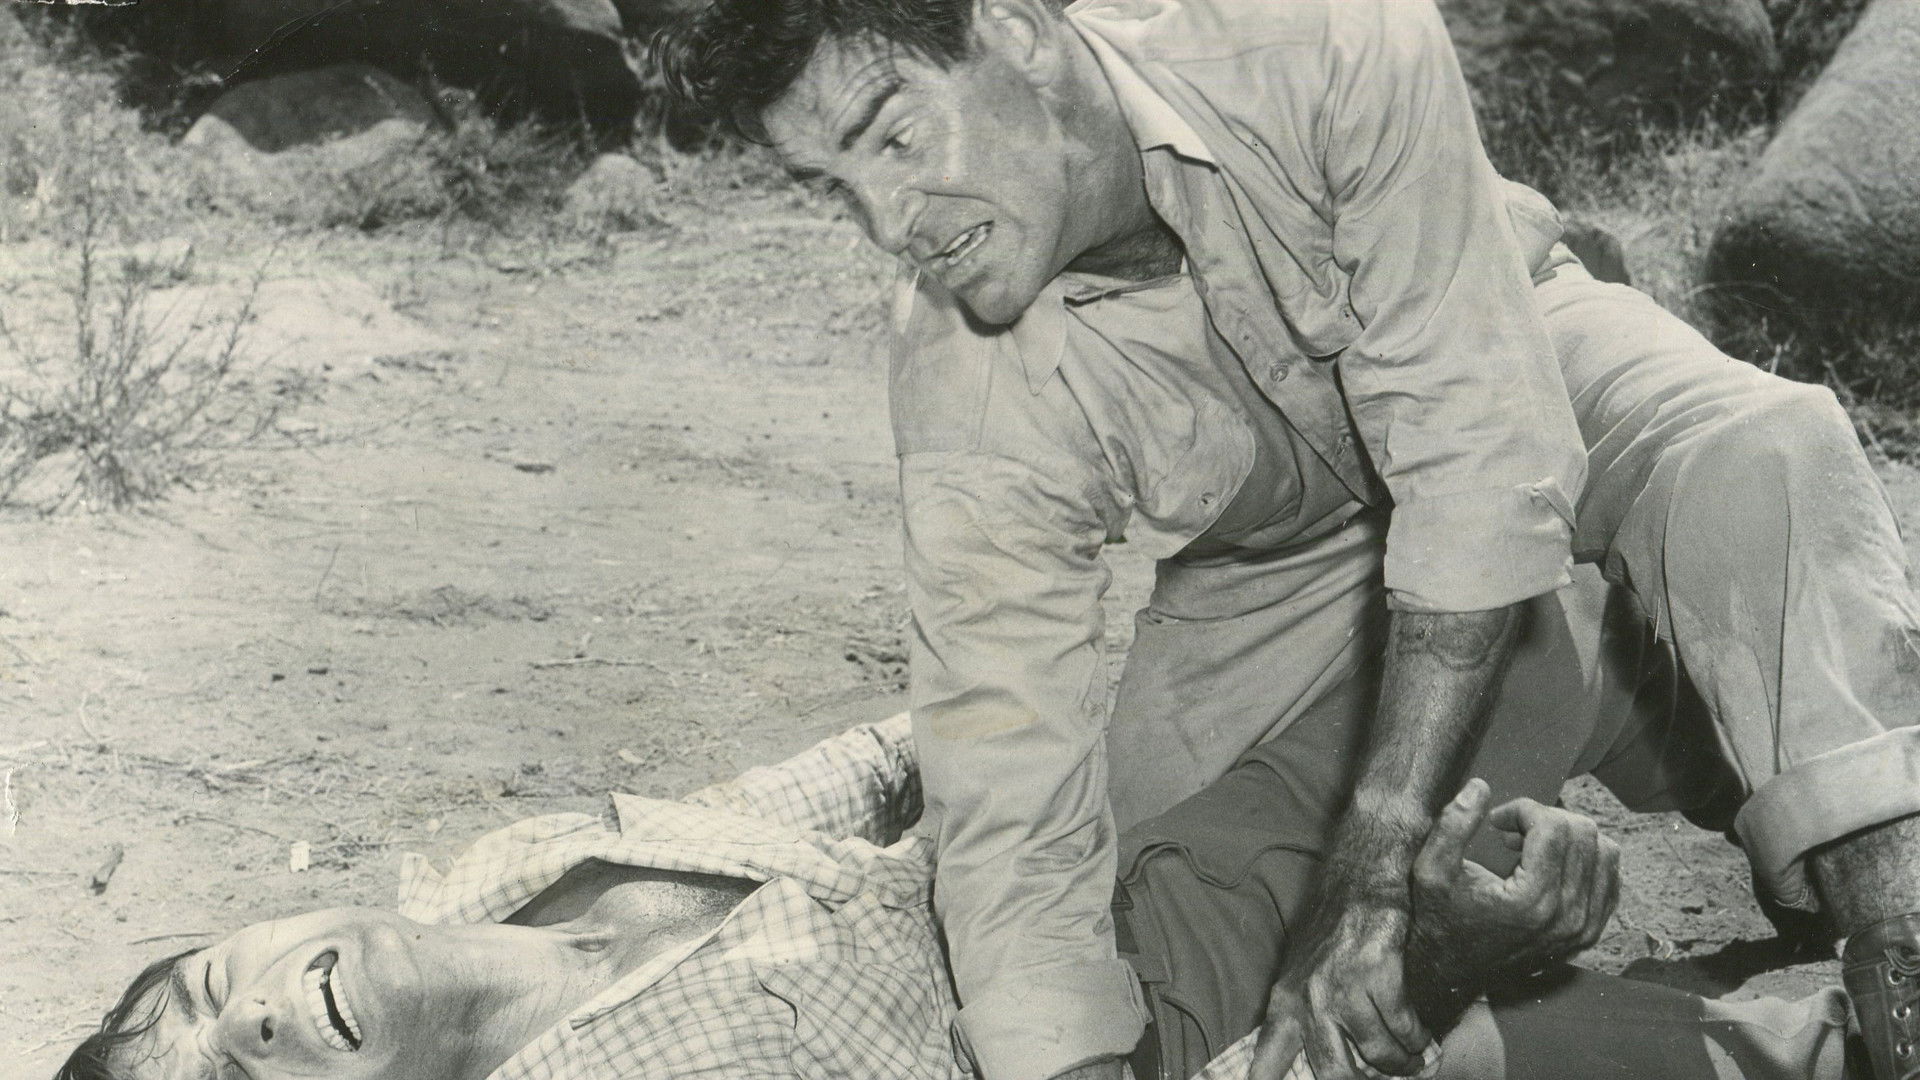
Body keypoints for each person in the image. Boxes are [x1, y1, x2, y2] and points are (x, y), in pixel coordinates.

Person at [649, 3, 1920, 1080]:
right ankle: (1728, 887)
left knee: (1754, 449)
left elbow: (1477, 455)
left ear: (1018, 30)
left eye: (896, 137)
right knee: (1149, 922)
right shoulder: (956, 367)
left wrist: (1372, 867)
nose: (889, 225)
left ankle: (1897, 943)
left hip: (1520, 358)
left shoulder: (1308, 27)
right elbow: (1002, 758)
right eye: (835, 186)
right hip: (1273, 572)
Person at [57, 715, 1858, 1080]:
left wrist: (1078, 687)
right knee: (1758, 1048)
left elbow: (849, 776)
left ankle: (1829, 825)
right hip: (1173, 1029)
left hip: (1080, 847)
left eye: (205, 993)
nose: (257, 1018)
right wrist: (1413, 976)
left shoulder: (500, 868)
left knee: (1502, 601)